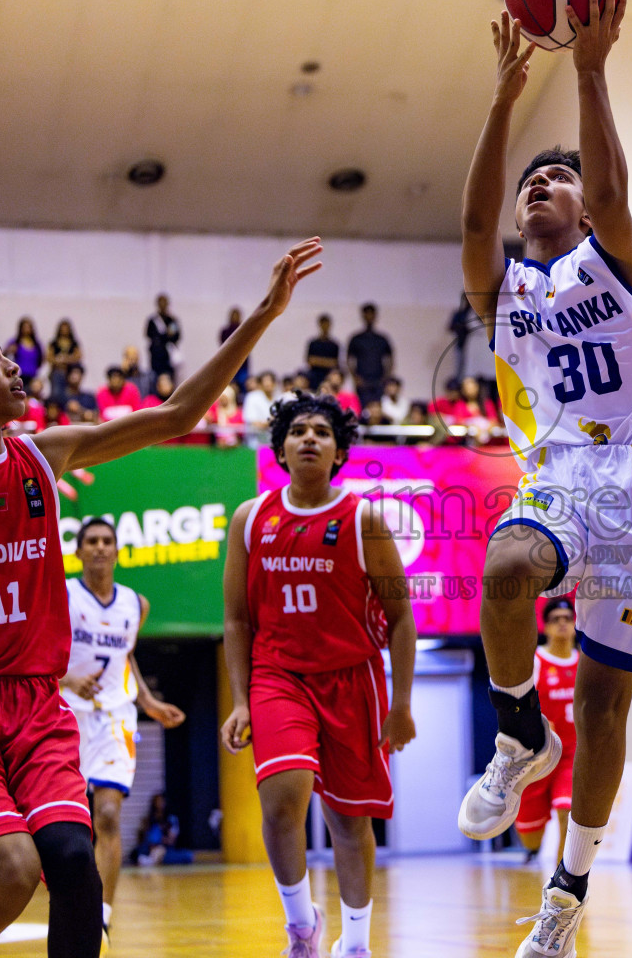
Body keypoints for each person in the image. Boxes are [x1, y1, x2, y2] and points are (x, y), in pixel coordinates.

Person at [0, 237, 322, 958]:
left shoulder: (43, 456)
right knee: (12, 873)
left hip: (36, 705)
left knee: (77, 868)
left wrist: (263, 316)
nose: (12, 364)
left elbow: (176, 416)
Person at [456, 0, 632, 957]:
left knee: (605, 705)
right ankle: (519, 736)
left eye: (558, 178)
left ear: (588, 204)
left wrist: (589, 69)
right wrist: (504, 100)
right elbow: (473, 224)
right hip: (558, 471)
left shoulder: (616, 258)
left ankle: (569, 888)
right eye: (531, 183)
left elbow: (616, 193)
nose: (539, 186)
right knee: (506, 568)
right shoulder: (507, 290)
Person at [220, 391, 416, 958]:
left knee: (348, 819)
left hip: (352, 678)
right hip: (279, 675)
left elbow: (401, 617)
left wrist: (400, 703)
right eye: (298, 429)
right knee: (283, 797)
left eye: (322, 432)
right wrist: (239, 701)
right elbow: (235, 619)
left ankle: (354, 944)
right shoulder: (251, 518)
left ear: (338, 451)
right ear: (280, 446)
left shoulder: (363, 519)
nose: (309, 437)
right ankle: (301, 927)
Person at [59, 517, 186, 944]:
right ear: (78, 551)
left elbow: (125, 659)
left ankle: (102, 915)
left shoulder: (136, 604)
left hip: (115, 716)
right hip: (64, 713)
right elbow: (36, 652)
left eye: (106, 541)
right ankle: (72, 903)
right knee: (70, 826)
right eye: (91, 541)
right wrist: (65, 680)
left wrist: (148, 702)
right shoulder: (62, 595)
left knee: (109, 814)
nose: (99, 548)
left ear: (117, 551)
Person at [516, 599, 581, 864]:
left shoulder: (585, 663)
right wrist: (536, 720)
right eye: (556, 619)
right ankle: (531, 841)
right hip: (538, 759)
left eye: (568, 617)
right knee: (531, 837)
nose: (563, 623)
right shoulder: (536, 661)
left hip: (571, 756)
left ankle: (562, 878)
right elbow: (518, 705)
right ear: (546, 627)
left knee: (567, 812)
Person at [345, 304, 394, 407]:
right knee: (363, 410)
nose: (369, 317)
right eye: (367, 314)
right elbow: (349, 359)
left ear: (375, 316)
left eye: (371, 314)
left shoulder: (382, 339)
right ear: (362, 316)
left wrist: (386, 378)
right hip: (362, 381)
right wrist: (355, 377)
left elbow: (390, 359)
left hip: (378, 380)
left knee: (377, 409)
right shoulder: (356, 338)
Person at [45, 320, 83, 400]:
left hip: (69, 373)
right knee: (56, 392)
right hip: (57, 371)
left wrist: (66, 359)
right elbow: (49, 358)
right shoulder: (54, 343)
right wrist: (59, 360)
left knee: (70, 393)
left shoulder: (74, 343)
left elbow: (78, 356)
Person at [146, 295, 181, 380]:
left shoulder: (172, 320)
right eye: (161, 303)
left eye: (164, 303)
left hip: (168, 357)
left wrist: (164, 336)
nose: (163, 305)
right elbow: (149, 335)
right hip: (156, 356)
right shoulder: (152, 320)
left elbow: (176, 336)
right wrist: (166, 335)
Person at [305, 314, 339, 390]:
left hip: (328, 378)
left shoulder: (334, 345)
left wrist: (318, 361)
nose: (325, 326)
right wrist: (327, 362)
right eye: (323, 324)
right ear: (319, 324)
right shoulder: (313, 343)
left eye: (326, 324)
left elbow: (335, 363)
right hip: (314, 378)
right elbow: (310, 360)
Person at [220, 306, 250, 389]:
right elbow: (223, 346)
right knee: (228, 384)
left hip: (242, 362)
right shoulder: (225, 331)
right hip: (228, 361)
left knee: (243, 384)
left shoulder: (245, 330)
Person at [5, 318, 43, 383]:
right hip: (18, 375)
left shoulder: (37, 344)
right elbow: (3, 355)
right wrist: (8, 351)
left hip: (33, 377)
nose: (27, 330)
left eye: (28, 327)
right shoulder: (15, 342)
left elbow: (41, 359)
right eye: (25, 327)